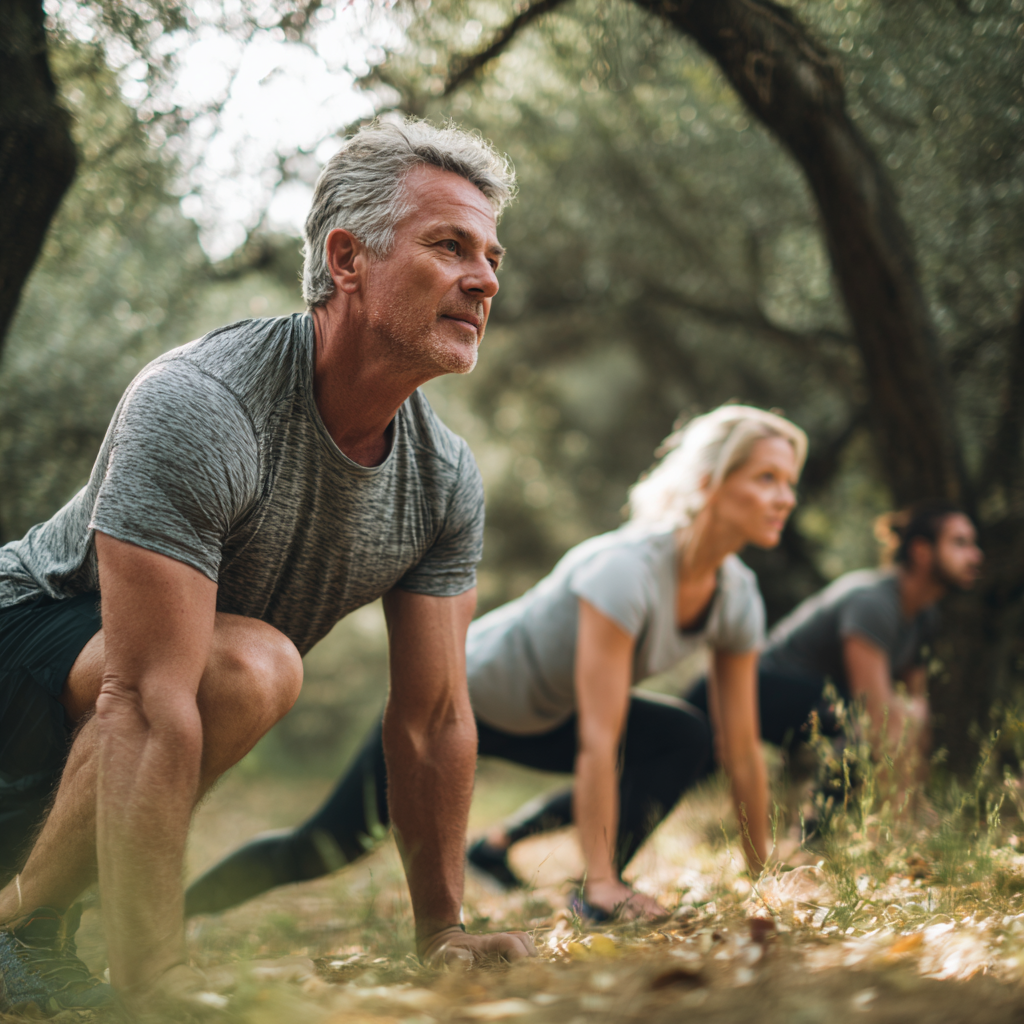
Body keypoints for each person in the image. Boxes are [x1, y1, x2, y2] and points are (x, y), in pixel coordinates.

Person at [0, 117, 538, 1016]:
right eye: (449, 246)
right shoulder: (203, 404)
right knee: (247, 666)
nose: (484, 279)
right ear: (346, 258)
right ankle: (30, 927)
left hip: (123, 703)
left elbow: (435, 717)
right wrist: (155, 981)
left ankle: (19, 919)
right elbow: (144, 699)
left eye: (491, 256)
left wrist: (441, 930)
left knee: (242, 667)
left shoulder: (442, 477)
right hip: (22, 644)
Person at [184, 405, 807, 922]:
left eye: (790, 482)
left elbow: (743, 748)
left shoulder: (737, 595)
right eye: (767, 478)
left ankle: (600, 887)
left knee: (686, 735)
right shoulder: (625, 571)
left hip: (548, 714)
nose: (785, 498)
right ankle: (175, 913)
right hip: (455, 697)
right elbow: (599, 740)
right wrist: (601, 883)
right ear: (710, 483)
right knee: (326, 846)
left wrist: (763, 882)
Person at [687, 499, 983, 788]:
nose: (976, 556)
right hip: (749, 689)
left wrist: (915, 798)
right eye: (960, 543)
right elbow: (875, 710)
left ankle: (820, 817)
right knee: (867, 720)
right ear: (921, 551)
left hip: (811, 703)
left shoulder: (924, 617)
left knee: (898, 716)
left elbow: (916, 708)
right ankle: (819, 818)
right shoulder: (874, 603)